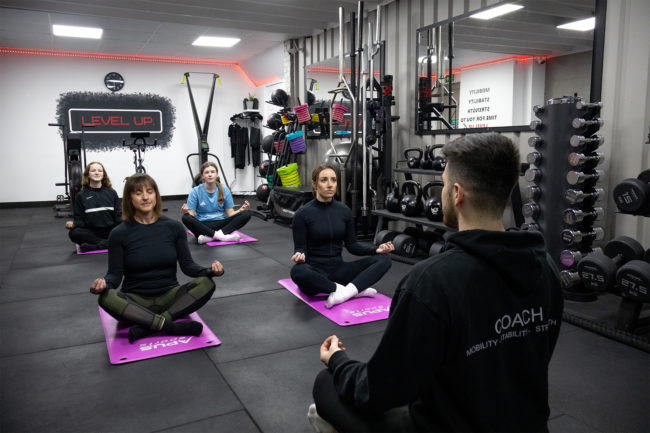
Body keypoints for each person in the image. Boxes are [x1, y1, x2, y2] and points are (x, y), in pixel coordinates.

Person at [309, 133, 564, 432]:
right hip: (526, 425)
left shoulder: (430, 282)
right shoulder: (545, 266)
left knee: (325, 385)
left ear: (456, 193)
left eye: (443, 184)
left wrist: (339, 361)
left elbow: (378, 393)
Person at [89, 173, 224, 344]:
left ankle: (148, 326)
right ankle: (171, 326)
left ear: (156, 195)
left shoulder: (174, 228)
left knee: (206, 283)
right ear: (130, 199)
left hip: (170, 297)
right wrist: (103, 285)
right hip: (136, 302)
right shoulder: (119, 234)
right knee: (106, 297)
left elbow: (188, 266)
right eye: (138, 193)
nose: (145, 197)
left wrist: (210, 271)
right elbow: (114, 276)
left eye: (149, 191)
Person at [290, 164, 395, 309]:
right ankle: (345, 290)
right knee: (297, 271)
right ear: (314, 184)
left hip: (339, 270)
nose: (329, 185)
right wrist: (299, 255)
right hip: (315, 273)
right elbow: (300, 248)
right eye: (324, 180)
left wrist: (376, 250)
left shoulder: (344, 211)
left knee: (384, 259)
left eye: (333, 180)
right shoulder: (302, 214)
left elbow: (352, 246)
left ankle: (345, 292)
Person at [181, 161, 251, 244]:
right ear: (202, 176)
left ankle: (210, 237)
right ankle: (220, 236)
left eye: (212, 172)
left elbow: (230, 213)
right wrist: (186, 212)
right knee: (185, 217)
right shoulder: (195, 191)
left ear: (217, 174)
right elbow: (191, 215)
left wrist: (240, 210)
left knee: (246, 214)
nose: (210, 174)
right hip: (203, 225)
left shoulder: (224, 189)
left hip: (221, 224)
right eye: (207, 172)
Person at [66, 161, 121, 252]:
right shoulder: (81, 195)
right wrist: (74, 224)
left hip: (110, 230)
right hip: (92, 232)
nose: (97, 173)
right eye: (93, 171)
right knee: (74, 233)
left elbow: (118, 216)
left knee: (128, 230)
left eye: (100, 170)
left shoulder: (111, 192)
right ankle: (107, 244)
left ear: (103, 174)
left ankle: (96, 246)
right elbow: (79, 219)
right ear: (88, 174)